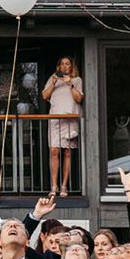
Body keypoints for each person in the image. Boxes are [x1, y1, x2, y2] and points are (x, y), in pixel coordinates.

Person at [43, 56, 84, 199]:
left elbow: (79, 99)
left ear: (72, 66)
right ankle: (53, 186)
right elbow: (44, 96)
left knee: (67, 152)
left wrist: (70, 84)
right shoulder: (53, 79)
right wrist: (53, 83)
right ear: (58, 66)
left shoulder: (77, 80)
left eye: (68, 64)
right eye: (62, 64)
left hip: (70, 118)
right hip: (55, 119)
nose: (65, 66)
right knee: (54, 150)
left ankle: (64, 185)